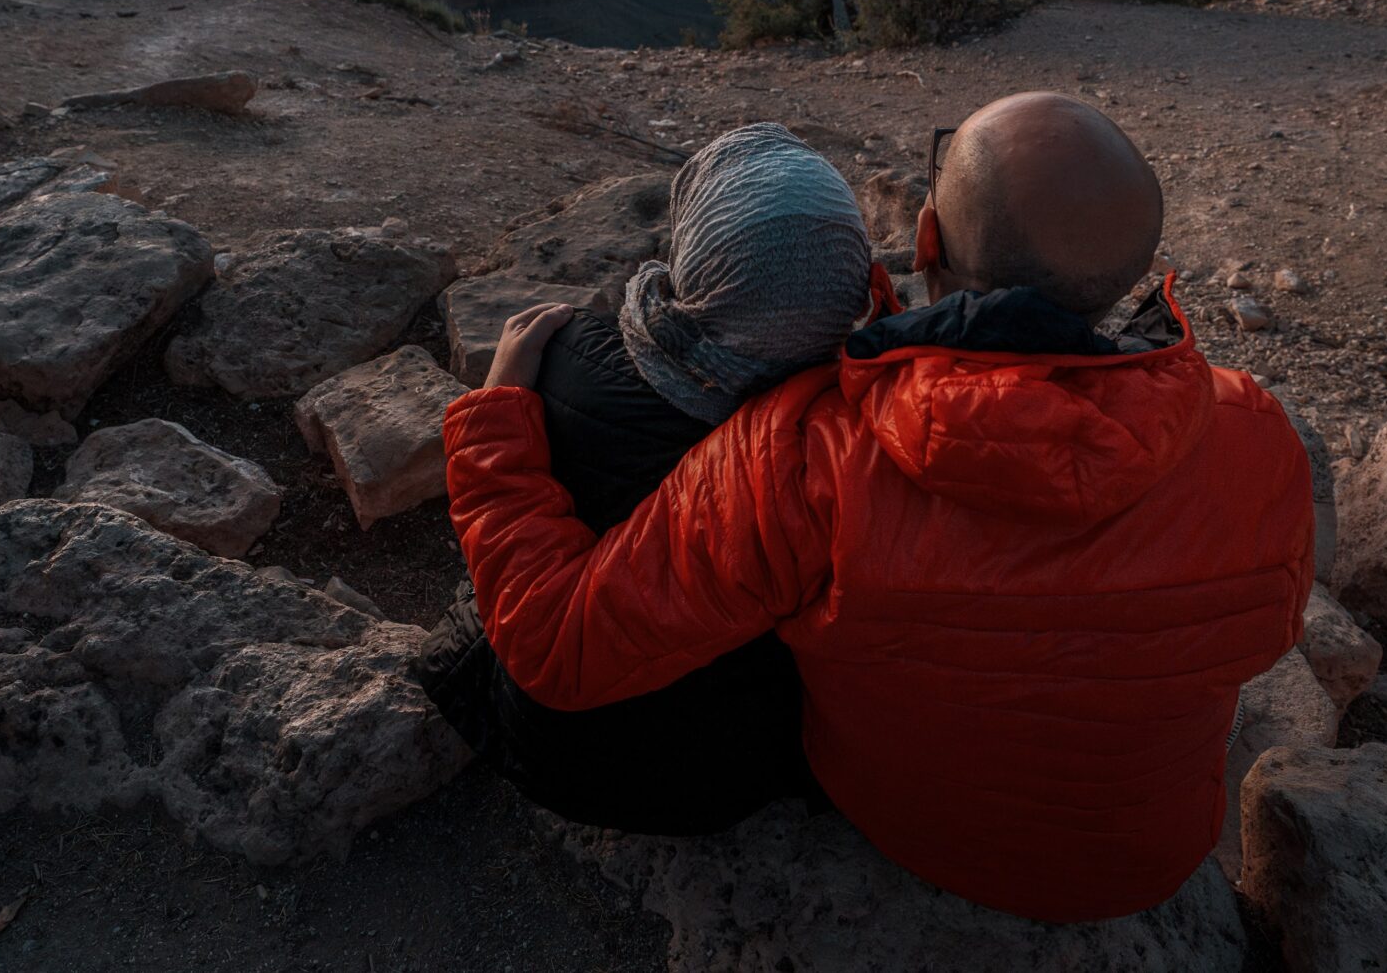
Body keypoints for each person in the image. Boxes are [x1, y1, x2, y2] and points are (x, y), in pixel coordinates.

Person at [444, 93, 1314, 923]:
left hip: (909, 837)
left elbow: (557, 647)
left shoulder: (805, 453)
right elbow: (1262, 636)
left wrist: (492, 424)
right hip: (1145, 864)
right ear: (1137, 273)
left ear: (923, 237)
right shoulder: (1252, 434)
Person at [417, 121, 880, 833]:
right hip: (744, 775)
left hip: (558, 753)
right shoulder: (862, 439)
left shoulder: (572, 359)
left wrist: (497, 403)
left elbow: (534, 605)